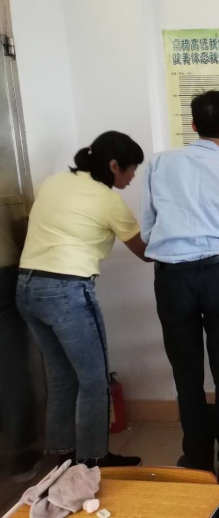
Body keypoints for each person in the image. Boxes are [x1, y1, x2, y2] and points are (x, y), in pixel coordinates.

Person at [141, 91, 219, 484]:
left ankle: (196, 459)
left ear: (192, 125)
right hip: (218, 275)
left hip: (171, 277)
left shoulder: (158, 164)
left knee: (185, 370)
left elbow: (147, 230)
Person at [15, 131, 148, 467]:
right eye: (131, 169)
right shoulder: (109, 201)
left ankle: (63, 458)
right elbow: (144, 252)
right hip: (67, 291)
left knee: (61, 375)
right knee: (93, 379)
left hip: (27, 287)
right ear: (114, 165)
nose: (133, 177)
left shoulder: (53, 182)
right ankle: (93, 460)